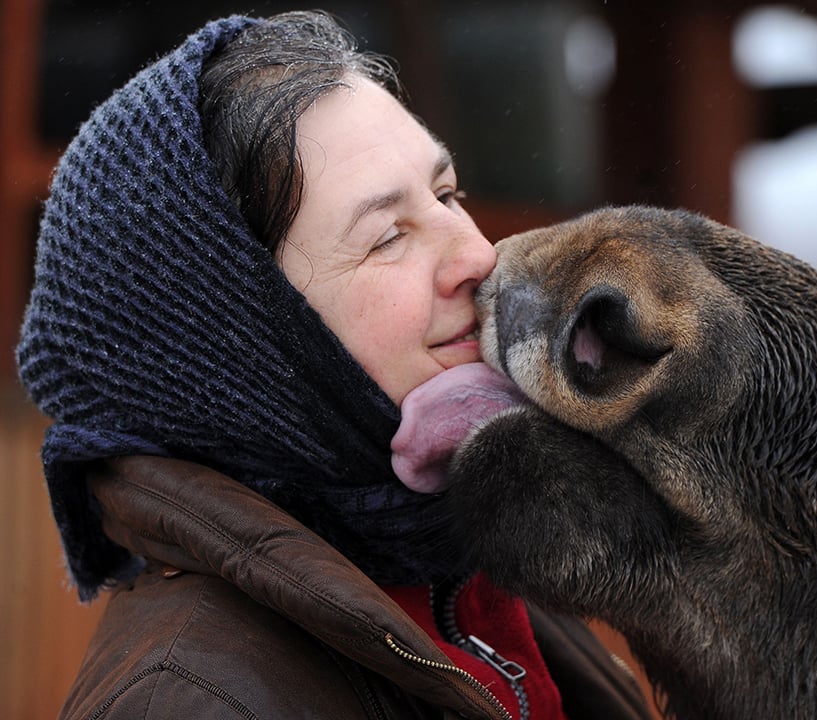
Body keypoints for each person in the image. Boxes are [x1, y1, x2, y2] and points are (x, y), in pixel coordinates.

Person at [17, 11, 654, 720]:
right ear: (245, 348)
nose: (478, 255)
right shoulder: (188, 701)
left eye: (447, 195)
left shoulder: (471, 564)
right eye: (388, 237)